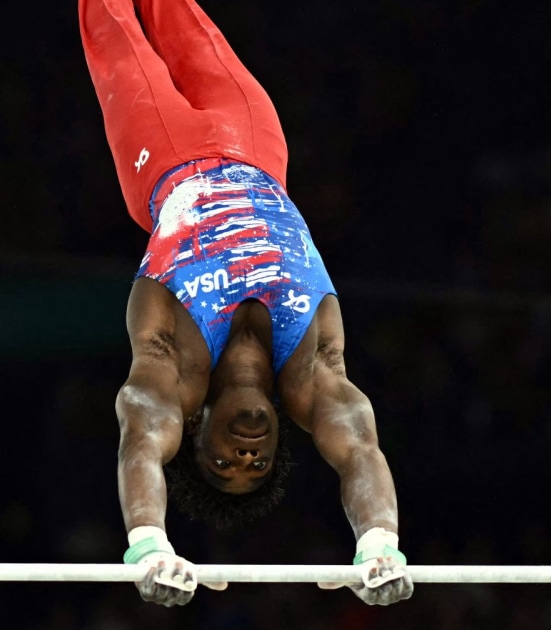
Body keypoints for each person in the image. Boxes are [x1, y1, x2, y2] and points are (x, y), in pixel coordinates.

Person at [78, 0, 413, 608]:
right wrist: (378, 544)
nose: (246, 454)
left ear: (196, 428)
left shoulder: (175, 370)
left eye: (224, 463)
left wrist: (149, 544)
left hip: (163, 156)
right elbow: (360, 448)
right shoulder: (310, 374)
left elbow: (142, 434)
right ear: (282, 440)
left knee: (113, 20)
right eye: (257, 466)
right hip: (259, 146)